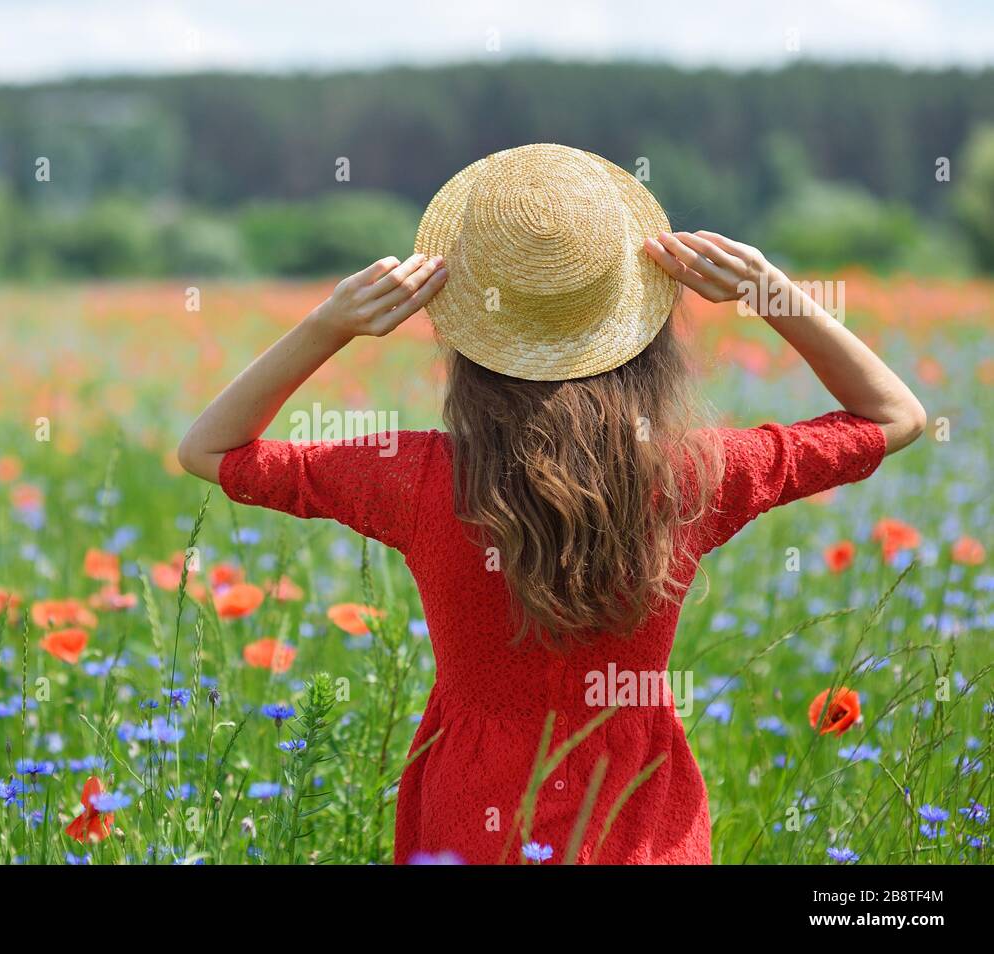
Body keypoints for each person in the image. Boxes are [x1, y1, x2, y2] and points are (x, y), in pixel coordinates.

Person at [178, 144, 925, 864]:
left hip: (471, 824)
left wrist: (328, 325)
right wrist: (773, 291)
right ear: (644, 324)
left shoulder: (413, 477)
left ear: (462, 332)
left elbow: (209, 450)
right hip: (641, 820)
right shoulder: (698, 473)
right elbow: (894, 416)